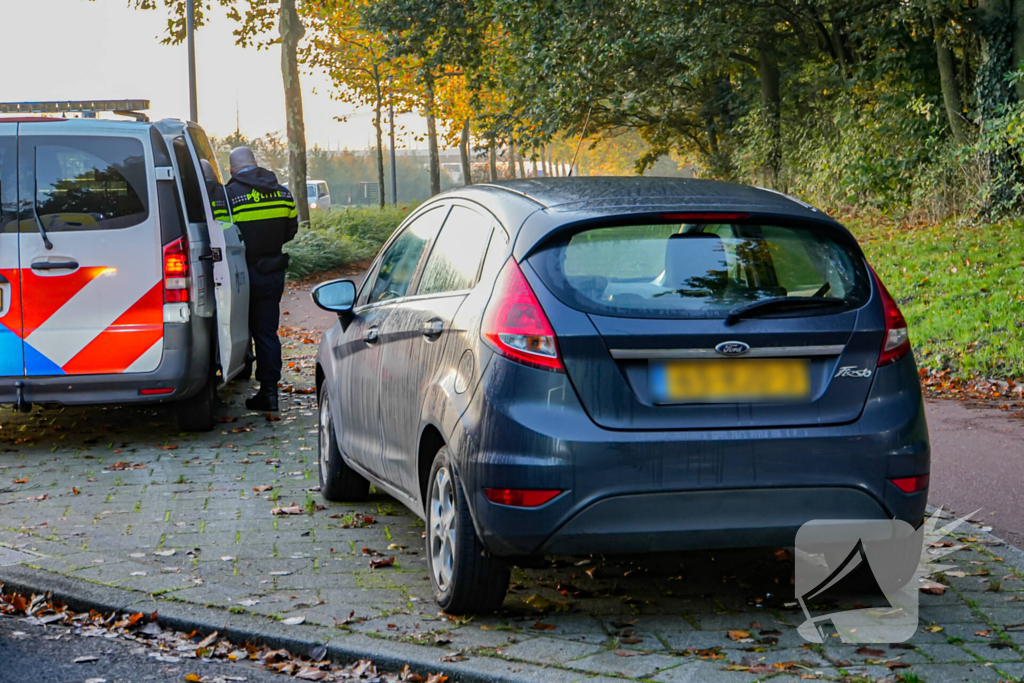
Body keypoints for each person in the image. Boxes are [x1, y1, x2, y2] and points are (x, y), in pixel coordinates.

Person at [224, 147, 298, 412]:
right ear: (256, 163)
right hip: (273, 271)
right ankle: (269, 392)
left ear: (232, 169)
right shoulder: (283, 192)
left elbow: (222, 234)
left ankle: (240, 372)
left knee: (236, 326)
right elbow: (291, 230)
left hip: (241, 273)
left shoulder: (229, 196)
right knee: (267, 332)